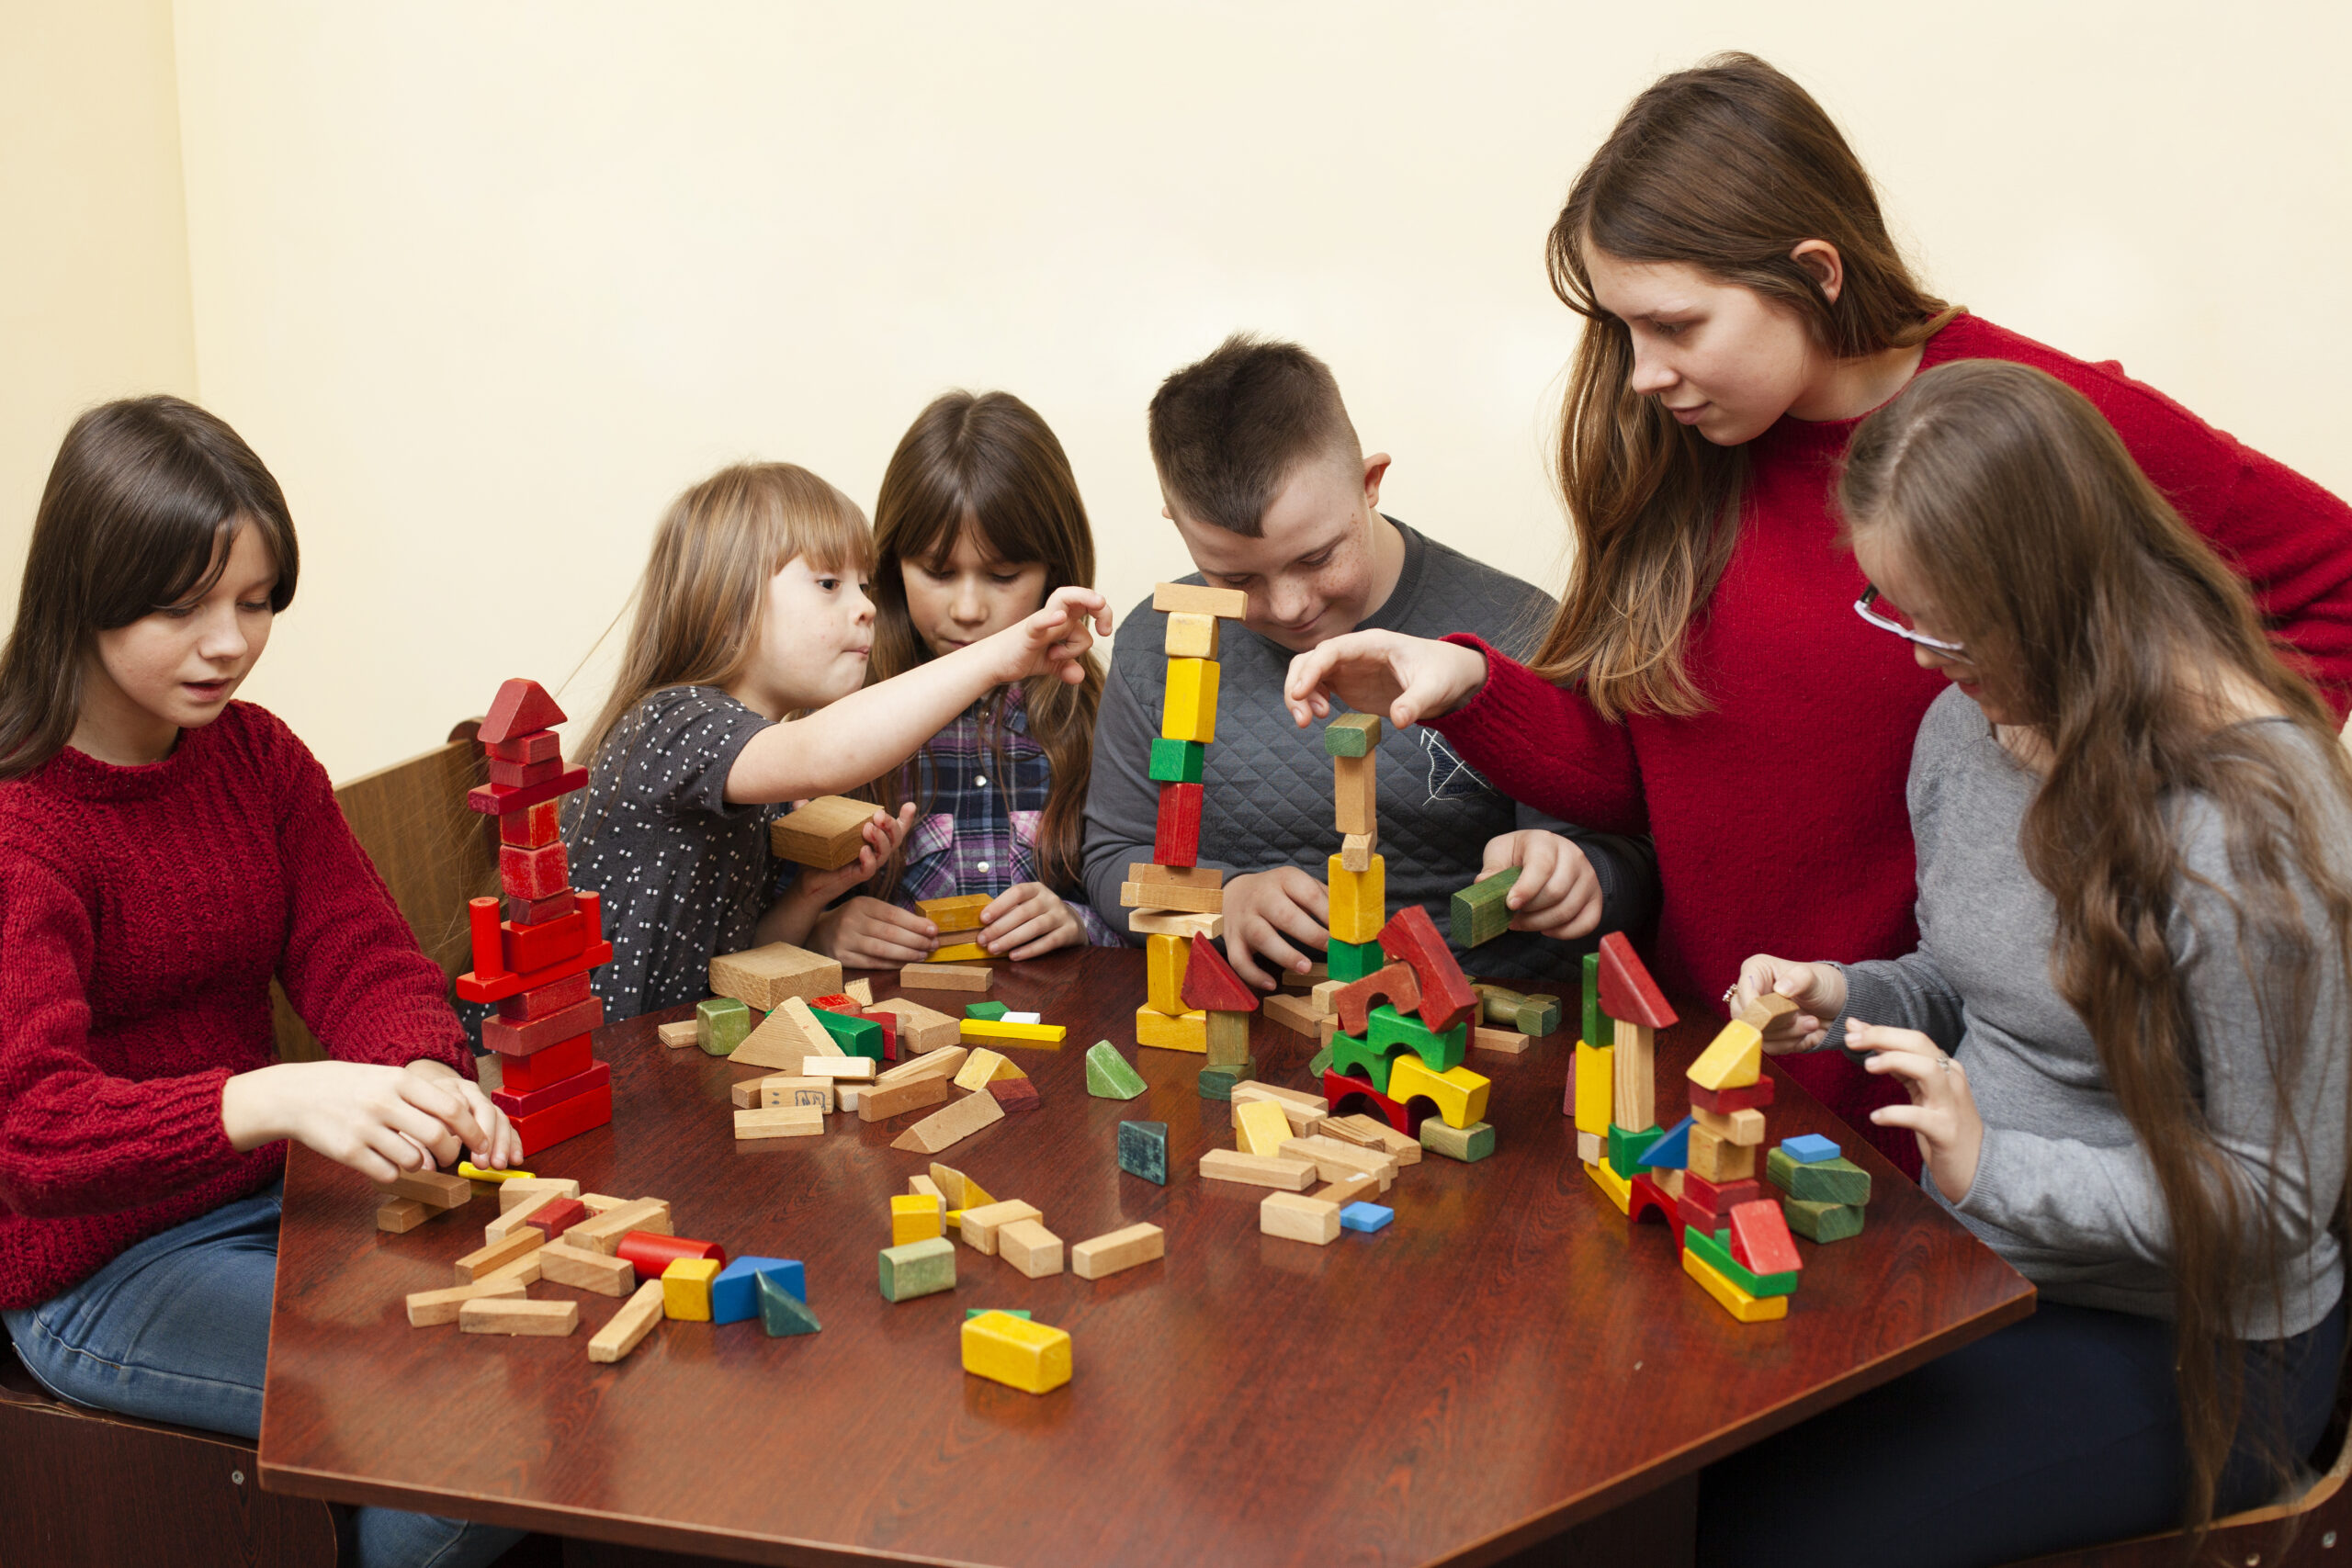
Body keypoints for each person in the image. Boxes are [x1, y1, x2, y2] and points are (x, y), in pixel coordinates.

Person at [1283, 53, 2352, 1168]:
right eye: (1620, 331)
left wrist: (2149, 802)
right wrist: (1469, 687)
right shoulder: (1676, 445)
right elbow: (1651, 777)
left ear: (1815, 272)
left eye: (1676, 325)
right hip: (1719, 1060)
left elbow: (2334, 585)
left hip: (1944, 1117)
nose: (1642, 372)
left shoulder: (2033, 428)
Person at [1701, 361, 2351, 1563]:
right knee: (1691, 1455)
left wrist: (1991, 1158)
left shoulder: (2253, 828)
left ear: (2055, 596)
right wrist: (1842, 1000)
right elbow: (1976, 982)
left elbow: (2272, 1198)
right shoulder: (1969, 723)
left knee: (1772, 1536)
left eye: (1942, 622)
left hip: (2200, 1336)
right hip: (1989, 1270)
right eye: (1892, 609)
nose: (1918, 658)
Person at [0, 397, 526, 1568]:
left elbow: (364, 956)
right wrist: (270, 1097)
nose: (229, 643)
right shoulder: (21, 826)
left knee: (543, 1348)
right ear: (83, 593)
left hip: (271, 1206)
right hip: (98, 1273)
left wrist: (425, 1072)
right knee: (470, 1412)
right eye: (183, 607)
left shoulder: (257, 757)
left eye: (254, 601)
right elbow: (31, 1136)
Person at [1083, 334, 1655, 989]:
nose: (1291, 605)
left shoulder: (1524, 628)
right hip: (1259, 1038)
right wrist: (1222, 901)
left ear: (1370, 482)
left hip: (1481, 1039)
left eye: (1317, 558)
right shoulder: (1155, 646)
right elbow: (1112, 857)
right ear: (1178, 526)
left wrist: (1579, 872)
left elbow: (1634, 858)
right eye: (1236, 578)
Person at [568, 460, 1107, 1015]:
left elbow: (742, 962)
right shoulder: (671, 722)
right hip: (590, 1061)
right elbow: (826, 753)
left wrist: (810, 896)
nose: (868, 607)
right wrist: (997, 654)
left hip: (667, 1058)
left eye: (866, 585)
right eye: (830, 584)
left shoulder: (761, 768)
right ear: (729, 599)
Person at [808, 391, 1124, 968]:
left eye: (1003, 575)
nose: (969, 609)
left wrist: (1080, 921)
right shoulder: (842, 711)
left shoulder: (1101, 711)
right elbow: (763, 917)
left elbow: (1155, 902)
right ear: (891, 565)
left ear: (1055, 568)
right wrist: (824, 931)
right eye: (937, 571)